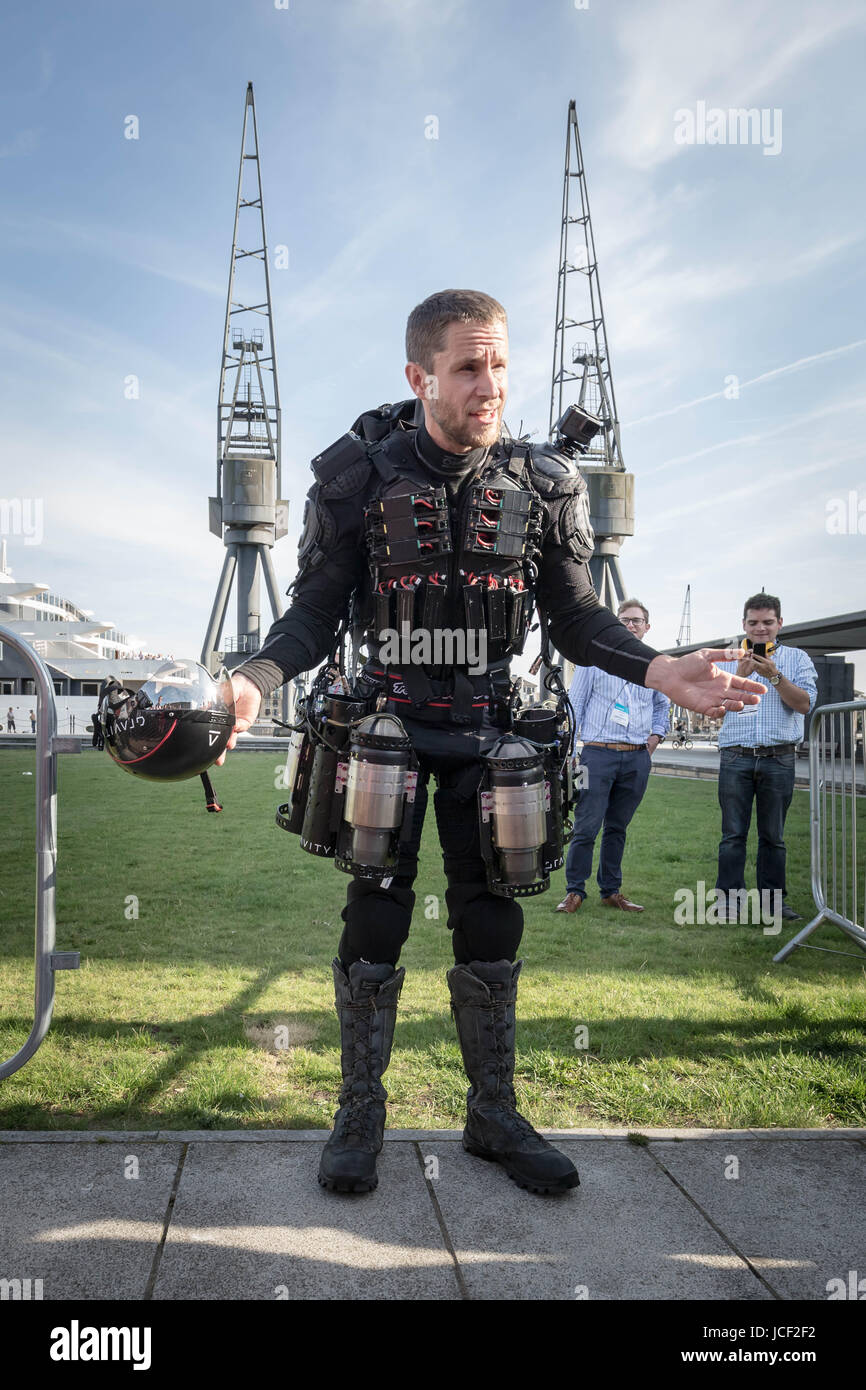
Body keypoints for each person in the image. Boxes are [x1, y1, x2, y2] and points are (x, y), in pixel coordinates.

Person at [220, 290, 763, 1197]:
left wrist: (658, 668)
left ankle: (493, 1112)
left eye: (501, 365)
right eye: (469, 366)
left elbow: (579, 615)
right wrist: (253, 678)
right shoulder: (356, 477)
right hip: (387, 724)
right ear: (419, 375)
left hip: (491, 728)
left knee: (491, 913)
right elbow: (313, 610)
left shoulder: (544, 483)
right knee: (377, 915)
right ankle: (361, 1111)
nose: (490, 385)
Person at [555, 598, 669, 914]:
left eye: (636, 620)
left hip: (636, 759)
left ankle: (611, 891)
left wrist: (655, 737)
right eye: (624, 620)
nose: (630, 625)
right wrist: (571, 754)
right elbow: (575, 705)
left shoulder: (654, 664)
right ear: (615, 624)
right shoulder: (593, 662)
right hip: (597, 755)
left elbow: (662, 705)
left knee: (617, 827)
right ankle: (574, 891)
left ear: (647, 626)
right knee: (586, 826)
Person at [713, 593, 817, 922]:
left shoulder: (798, 659)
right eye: (754, 623)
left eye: (767, 622)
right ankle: (729, 903)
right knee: (732, 835)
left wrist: (774, 675)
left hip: (779, 758)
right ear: (743, 624)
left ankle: (773, 904)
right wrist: (740, 676)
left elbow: (803, 704)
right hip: (736, 757)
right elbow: (714, 709)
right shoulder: (727, 661)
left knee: (773, 836)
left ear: (780, 624)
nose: (761, 629)